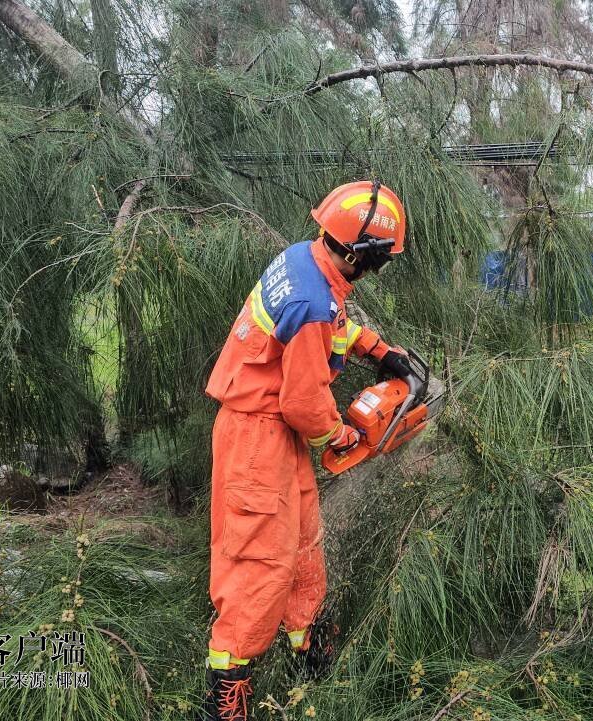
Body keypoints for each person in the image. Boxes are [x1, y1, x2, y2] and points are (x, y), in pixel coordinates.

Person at [200, 181, 413, 720]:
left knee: (301, 546)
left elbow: (332, 321)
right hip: (258, 435)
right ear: (360, 254)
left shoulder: (308, 259)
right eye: (380, 260)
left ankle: (310, 654)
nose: (378, 270)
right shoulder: (312, 300)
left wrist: (377, 351)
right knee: (259, 565)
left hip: (276, 434)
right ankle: (226, 698)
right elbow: (303, 403)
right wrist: (344, 437)